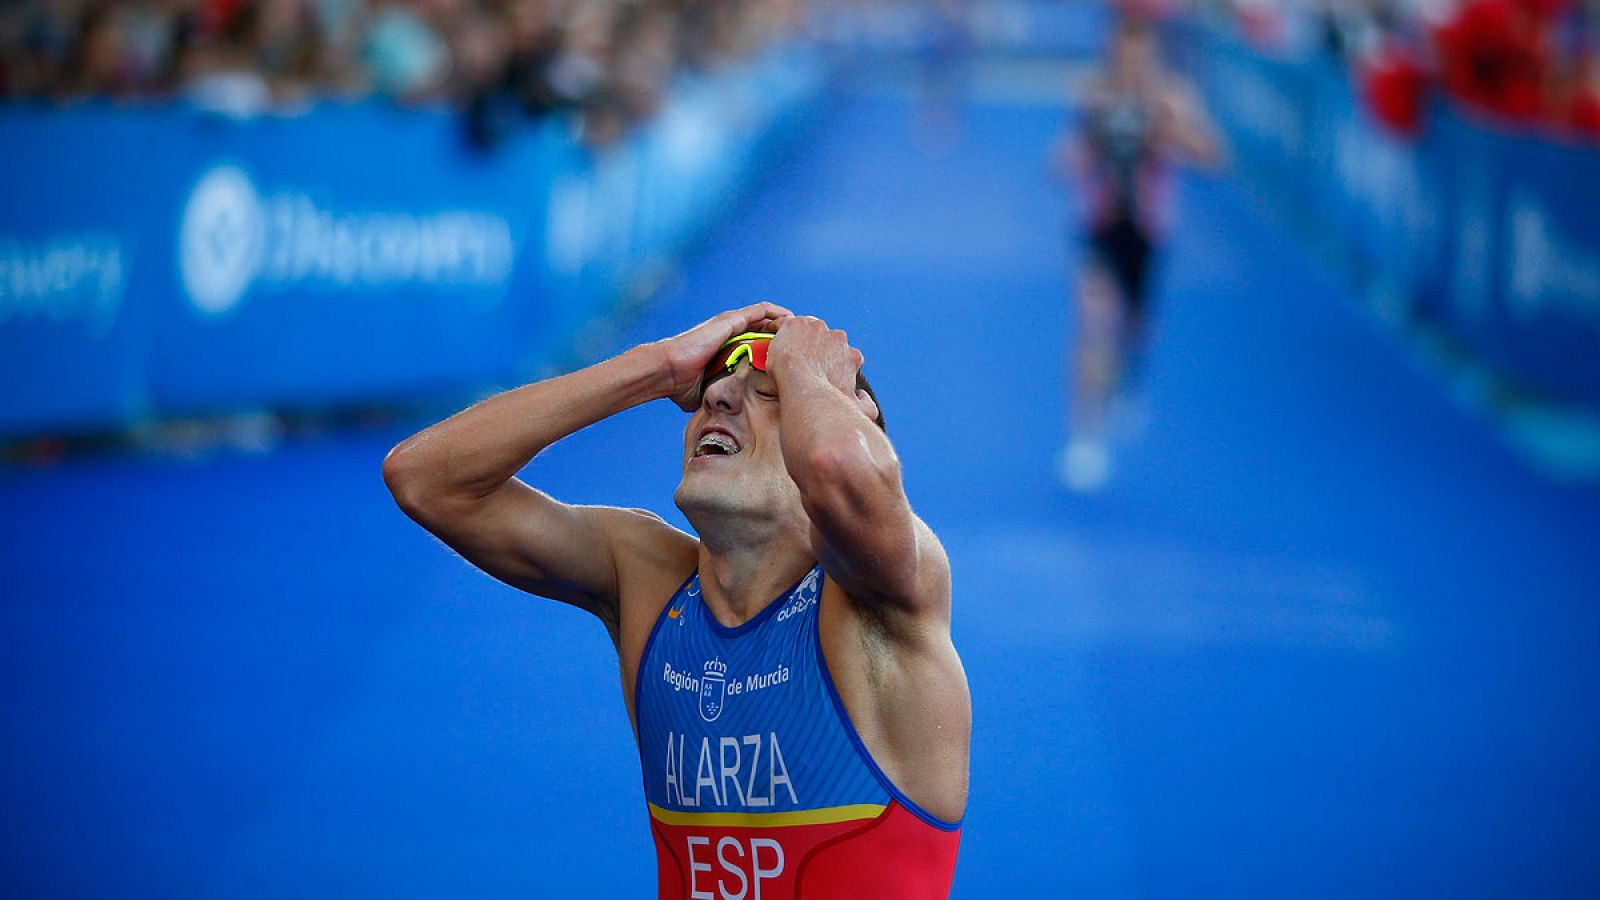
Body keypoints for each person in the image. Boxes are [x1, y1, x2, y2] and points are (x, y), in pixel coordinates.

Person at [382, 304, 970, 898]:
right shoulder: (648, 578)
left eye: (768, 392)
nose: (716, 398)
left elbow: (838, 466)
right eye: (714, 386)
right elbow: (424, 479)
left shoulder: (878, 600)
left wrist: (810, 374)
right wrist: (658, 367)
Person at [1056, 18, 1220, 491]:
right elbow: (1065, 160)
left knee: (1132, 330)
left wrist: (1169, 129)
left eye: (1138, 59)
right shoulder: (1094, 95)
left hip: (1147, 232)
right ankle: (1085, 438)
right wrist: (1088, 145)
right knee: (1093, 325)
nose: (1129, 67)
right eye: (1121, 58)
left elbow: (1213, 156)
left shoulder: (1173, 96)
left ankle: (1126, 374)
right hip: (1101, 228)